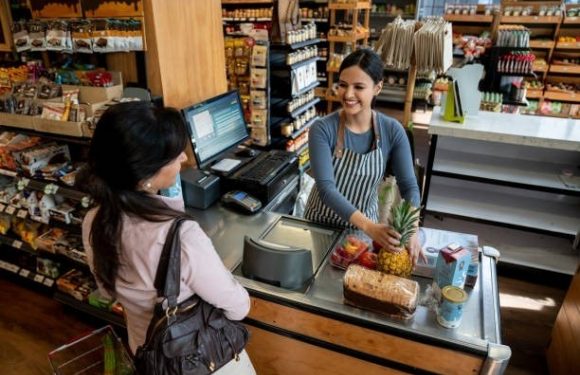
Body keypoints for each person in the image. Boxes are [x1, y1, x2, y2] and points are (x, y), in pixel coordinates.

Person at [81, 101, 255, 374]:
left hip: (146, 352)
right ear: (146, 172)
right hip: (202, 359)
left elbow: (106, 289)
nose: (183, 159)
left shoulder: (94, 220)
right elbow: (238, 306)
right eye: (174, 155)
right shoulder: (182, 237)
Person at [304, 49, 424, 265]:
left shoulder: (392, 130)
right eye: (343, 85)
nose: (348, 94)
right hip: (320, 226)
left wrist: (412, 229)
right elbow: (326, 190)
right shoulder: (322, 129)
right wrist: (371, 227)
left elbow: (410, 187)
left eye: (358, 87)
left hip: (362, 231)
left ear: (377, 88)